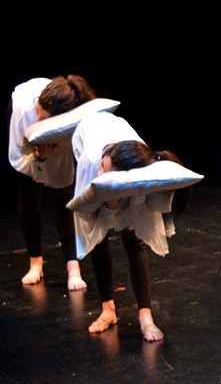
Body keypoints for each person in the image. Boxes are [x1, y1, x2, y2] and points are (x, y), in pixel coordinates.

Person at [71, 112, 192, 342]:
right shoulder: (91, 163)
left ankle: (145, 316)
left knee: (134, 240)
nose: (101, 174)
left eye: (106, 171)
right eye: (103, 166)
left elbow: (136, 219)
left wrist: (119, 202)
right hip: (85, 134)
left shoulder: (137, 173)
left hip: (125, 167)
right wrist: (109, 204)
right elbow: (89, 221)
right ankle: (108, 310)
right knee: (99, 239)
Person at [8, 75, 97, 289]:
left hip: (60, 137)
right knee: (29, 193)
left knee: (63, 195)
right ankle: (35, 262)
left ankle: (72, 266)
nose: (38, 120)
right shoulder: (25, 111)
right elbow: (18, 156)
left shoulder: (73, 120)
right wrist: (38, 158)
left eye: (43, 117)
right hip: (26, 141)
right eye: (38, 112)